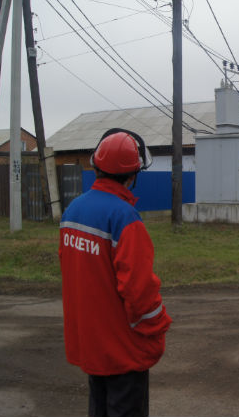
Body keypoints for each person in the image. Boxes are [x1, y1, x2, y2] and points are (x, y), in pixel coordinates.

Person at [59, 128, 172, 417]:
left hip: (93, 342)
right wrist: (157, 328)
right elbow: (139, 290)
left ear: (96, 166)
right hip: (122, 349)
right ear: (132, 175)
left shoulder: (72, 211)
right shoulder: (124, 218)